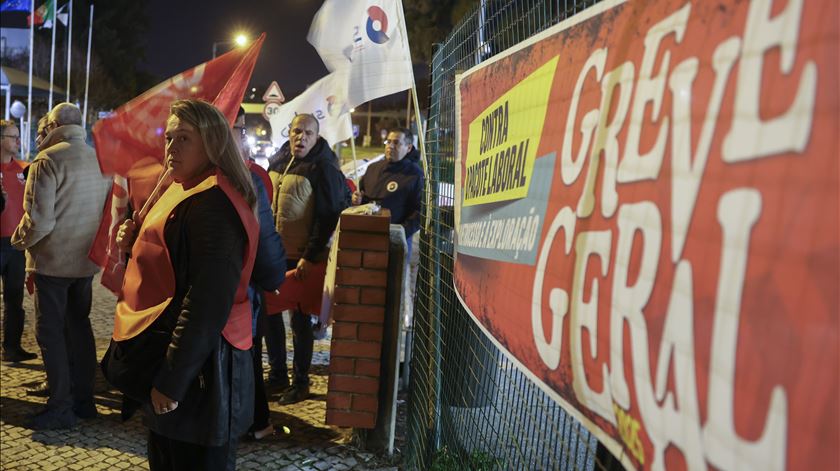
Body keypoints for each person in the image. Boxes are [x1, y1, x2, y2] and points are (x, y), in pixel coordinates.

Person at [110, 99, 259, 469]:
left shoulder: (213, 206)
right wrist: (132, 244)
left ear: (211, 144)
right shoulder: (185, 187)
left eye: (184, 138)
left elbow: (205, 304)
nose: (171, 148)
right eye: (170, 137)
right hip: (183, 367)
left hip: (202, 378)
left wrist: (172, 381)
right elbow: (168, 267)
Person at [11, 103, 110, 429]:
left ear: (52, 125)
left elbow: (39, 220)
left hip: (52, 263)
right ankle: (84, 401)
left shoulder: (47, 160)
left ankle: (60, 406)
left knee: (50, 333)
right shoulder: (98, 158)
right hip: (84, 263)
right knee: (80, 330)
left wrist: (18, 241)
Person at [267, 114, 346, 404]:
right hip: (273, 255)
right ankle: (277, 375)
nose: (301, 137)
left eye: (308, 133)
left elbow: (327, 216)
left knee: (300, 322)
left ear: (317, 136)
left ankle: (301, 382)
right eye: (297, 131)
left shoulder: (324, 167)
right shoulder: (278, 160)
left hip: (301, 258)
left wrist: (310, 257)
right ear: (289, 133)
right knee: (268, 314)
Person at [234, 107, 286, 442]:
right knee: (246, 358)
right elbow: (267, 257)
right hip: (238, 300)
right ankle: (251, 423)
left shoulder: (175, 177)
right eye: (239, 128)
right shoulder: (246, 180)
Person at [352, 127, 423, 251]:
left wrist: (399, 233)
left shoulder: (415, 174)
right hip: (367, 234)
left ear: (409, 148)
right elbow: (360, 197)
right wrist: (356, 200)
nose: (390, 146)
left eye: (396, 143)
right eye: (388, 142)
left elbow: (420, 211)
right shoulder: (373, 168)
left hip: (396, 242)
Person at [1, 119, 36, 362]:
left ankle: (11, 348)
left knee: (15, 299)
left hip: (15, 246)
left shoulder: (25, 169)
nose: (17, 141)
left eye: (17, 136)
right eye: (12, 136)